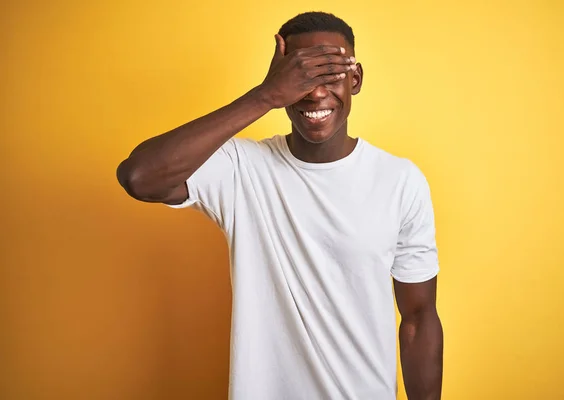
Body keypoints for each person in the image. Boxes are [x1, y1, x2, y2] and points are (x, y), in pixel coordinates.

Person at [116, 11, 443, 400]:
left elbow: (419, 319)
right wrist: (266, 95)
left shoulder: (399, 181)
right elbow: (140, 176)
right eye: (301, 76)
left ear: (354, 80)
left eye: (329, 73)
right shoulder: (241, 169)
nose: (315, 93)